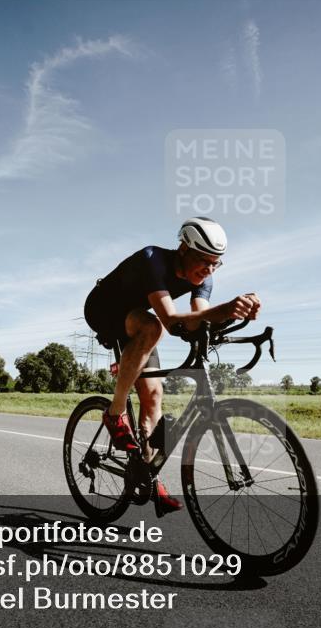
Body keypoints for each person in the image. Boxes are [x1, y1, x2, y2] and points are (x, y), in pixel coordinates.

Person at [83, 217, 261, 515]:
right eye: (204, 261)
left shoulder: (206, 278)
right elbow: (171, 321)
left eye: (216, 264)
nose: (209, 270)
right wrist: (227, 307)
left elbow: (199, 317)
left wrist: (234, 315)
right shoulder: (153, 260)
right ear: (183, 249)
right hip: (103, 308)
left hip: (137, 317)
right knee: (153, 328)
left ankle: (148, 476)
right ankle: (114, 414)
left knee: (153, 396)